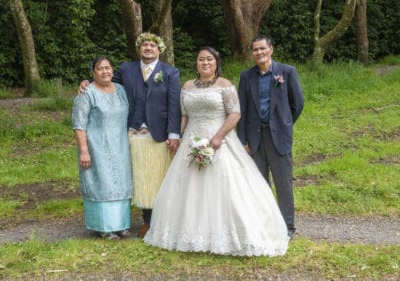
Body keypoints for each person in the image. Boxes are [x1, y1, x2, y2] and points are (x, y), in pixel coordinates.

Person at [143, 47, 289, 256]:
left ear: (216, 62)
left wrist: (218, 136)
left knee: (227, 186)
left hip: (219, 140)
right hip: (192, 140)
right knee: (189, 187)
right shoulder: (188, 85)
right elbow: (184, 115)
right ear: (196, 63)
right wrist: (178, 136)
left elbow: (235, 113)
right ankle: (189, 233)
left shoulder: (225, 85)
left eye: (209, 59)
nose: (205, 63)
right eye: (201, 59)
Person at [79, 33, 181, 239]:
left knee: (159, 177)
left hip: (159, 135)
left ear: (159, 50)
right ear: (138, 49)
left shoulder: (170, 72)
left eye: (153, 45)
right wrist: (86, 82)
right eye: (145, 45)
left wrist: (174, 133)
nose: (148, 48)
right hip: (134, 134)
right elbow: (105, 81)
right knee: (142, 178)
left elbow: (175, 105)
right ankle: (146, 221)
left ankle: (164, 219)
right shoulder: (127, 69)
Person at [237, 35, 304, 238]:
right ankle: (265, 225)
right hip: (255, 138)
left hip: (279, 137)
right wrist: (243, 141)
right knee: (259, 184)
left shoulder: (286, 72)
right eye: (255, 50)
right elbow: (241, 109)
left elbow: (297, 103)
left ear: (271, 49)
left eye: (262, 48)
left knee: (283, 183)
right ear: (252, 53)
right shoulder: (246, 76)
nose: (259, 52)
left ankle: (287, 227)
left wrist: (284, 123)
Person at [72, 56, 133, 240]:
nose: (105, 71)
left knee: (120, 184)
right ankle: (105, 228)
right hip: (97, 147)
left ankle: (121, 225)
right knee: (102, 183)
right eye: (100, 69)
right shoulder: (87, 93)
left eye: (108, 67)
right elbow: (79, 124)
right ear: (93, 73)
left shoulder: (121, 90)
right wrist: (84, 150)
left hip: (120, 146)